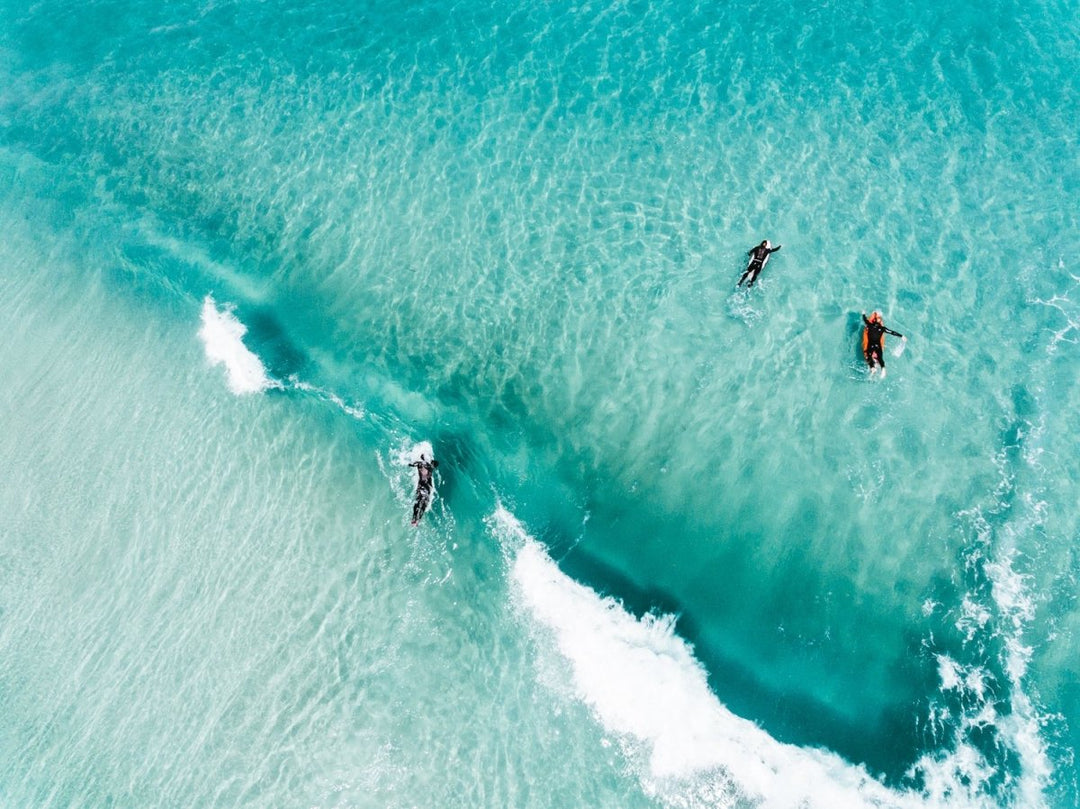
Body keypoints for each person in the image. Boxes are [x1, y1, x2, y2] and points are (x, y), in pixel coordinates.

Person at [408, 454, 439, 525]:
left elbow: (412, 464)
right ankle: (417, 519)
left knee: (418, 501)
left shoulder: (421, 464)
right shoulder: (430, 467)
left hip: (421, 486)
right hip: (426, 488)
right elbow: (434, 465)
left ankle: (414, 518)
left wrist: (413, 463)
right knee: (423, 504)